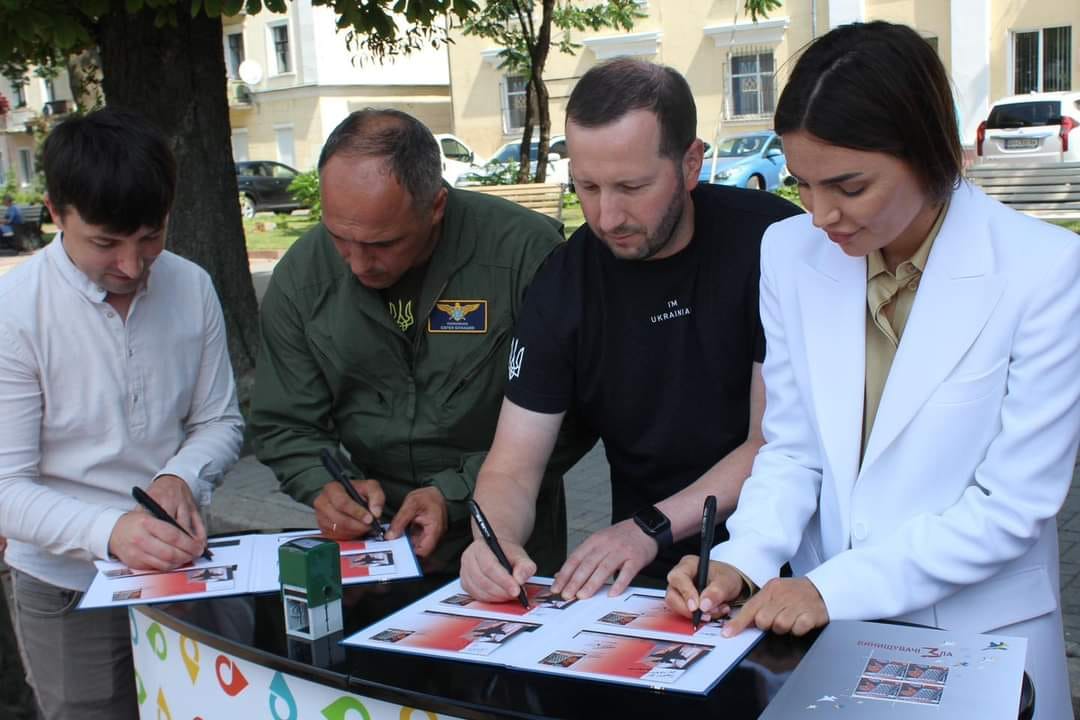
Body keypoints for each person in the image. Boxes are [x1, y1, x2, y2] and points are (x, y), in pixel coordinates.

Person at [665, 22, 1078, 720]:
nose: (821, 214)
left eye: (849, 186)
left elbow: (1011, 507)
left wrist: (831, 589)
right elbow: (792, 448)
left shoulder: (1043, 271)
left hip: (979, 640)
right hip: (821, 637)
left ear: (927, 153)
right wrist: (744, 559)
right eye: (802, 184)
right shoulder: (789, 253)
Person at [459, 58, 800, 603]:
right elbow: (512, 468)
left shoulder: (771, 243)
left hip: (788, 561)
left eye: (632, 186)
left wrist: (648, 527)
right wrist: (492, 543)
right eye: (586, 186)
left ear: (691, 164)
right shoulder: (564, 283)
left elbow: (773, 442)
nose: (606, 216)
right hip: (645, 572)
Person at [250, 109, 591, 574]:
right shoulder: (302, 276)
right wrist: (324, 485)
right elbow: (284, 424)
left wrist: (454, 492)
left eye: (383, 244)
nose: (357, 263)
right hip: (376, 546)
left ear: (436, 206)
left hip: (509, 542)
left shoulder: (524, 256)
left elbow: (575, 413)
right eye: (339, 238)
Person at [0, 108, 244, 719]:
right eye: (105, 243)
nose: (132, 266)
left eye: (150, 237)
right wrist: (110, 532)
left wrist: (180, 476)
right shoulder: (15, 311)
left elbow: (219, 421)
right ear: (55, 213)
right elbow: (6, 488)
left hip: (183, 572)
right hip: (65, 588)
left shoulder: (192, 286)